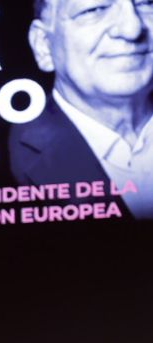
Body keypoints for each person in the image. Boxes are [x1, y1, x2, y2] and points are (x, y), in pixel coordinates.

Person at [10, 0, 153, 218]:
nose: (132, 28)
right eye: (94, 10)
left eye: (147, 3)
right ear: (44, 45)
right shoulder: (4, 160)